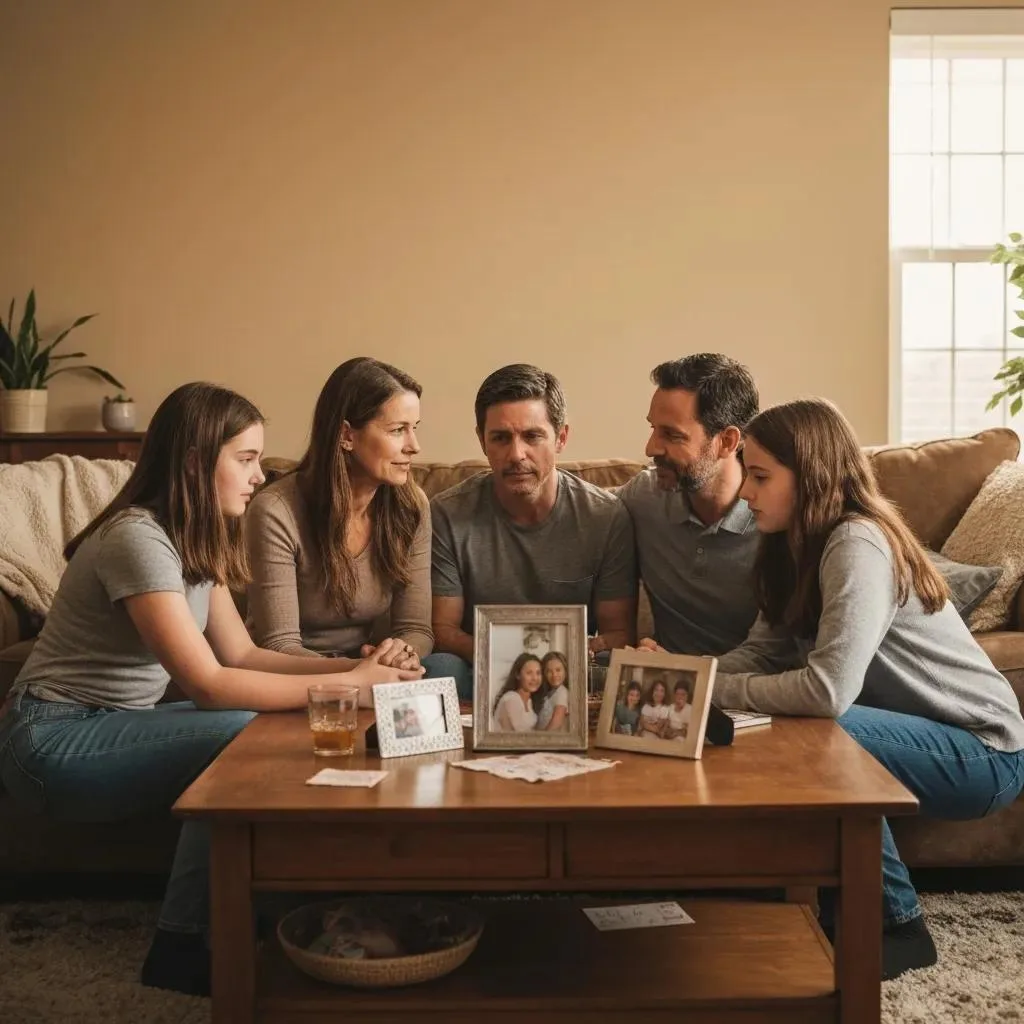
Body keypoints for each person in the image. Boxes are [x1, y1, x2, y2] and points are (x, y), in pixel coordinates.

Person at [0, 383, 423, 998]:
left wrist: (361, 667)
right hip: (51, 740)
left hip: (107, 728)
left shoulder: (200, 535)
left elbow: (247, 654)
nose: (259, 476)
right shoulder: (137, 538)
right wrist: (350, 688)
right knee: (235, 733)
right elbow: (209, 685)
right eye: (245, 459)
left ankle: (272, 906)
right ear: (198, 462)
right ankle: (182, 944)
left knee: (262, 727)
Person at [712, 397, 1024, 980]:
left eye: (760, 476)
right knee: (791, 731)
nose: (745, 493)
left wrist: (721, 694)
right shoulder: (788, 543)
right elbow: (761, 652)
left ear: (810, 475)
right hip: (915, 741)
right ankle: (819, 900)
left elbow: (828, 694)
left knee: (816, 731)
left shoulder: (858, 542)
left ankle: (896, 924)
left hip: (983, 750)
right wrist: (688, 680)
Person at [431, 364, 637, 698]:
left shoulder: (606, 517)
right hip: (481, 665)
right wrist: (512, 659)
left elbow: (618, 633)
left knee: (618, 666)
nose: (516, 454)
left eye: (532, 436)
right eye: (500, 438)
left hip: (570, 668)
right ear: (482, 441)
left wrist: (573, 653)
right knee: (439, 668)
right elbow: (444, 630)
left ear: (561, 438)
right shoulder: (447, 513)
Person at [246, 357, 448, 678]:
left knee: (444, 668)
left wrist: (400, 656)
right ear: (346, 435)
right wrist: (361, 670)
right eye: (398, 430)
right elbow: (278, 644)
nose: (415, 446)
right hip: (291, 674)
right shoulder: (275, 511)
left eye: (415, 429)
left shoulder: (411, 507)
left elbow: (415, 628)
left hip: (368, 664)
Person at [618, 354, 760, 656]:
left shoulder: (776, 518)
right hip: (667, 695)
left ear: (727, 441)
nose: (651, 448)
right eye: (653, 429)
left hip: (754, 694)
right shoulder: (643, 497)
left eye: (671, 435)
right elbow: (577, 512)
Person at [492, 653, 543, 731]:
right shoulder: (511, 699)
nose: (535, 678)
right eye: (529, 673)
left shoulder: (530, 702)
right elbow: (518, 737)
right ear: (518, 675)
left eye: (538, 673)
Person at [537, 651, 570, 731]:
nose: (554, 675)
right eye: (549, 671)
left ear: (565, 671)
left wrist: (541, 741)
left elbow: (555, 725)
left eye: (558, 670)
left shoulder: (562, 692)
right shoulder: (549, 692)